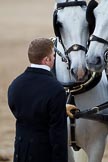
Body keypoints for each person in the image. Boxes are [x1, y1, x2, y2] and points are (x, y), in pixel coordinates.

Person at [7, 38, 68, 162]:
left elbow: (24, 110)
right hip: (45, 155)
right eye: (53, 55)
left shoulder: (15, 84)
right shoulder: (56, 89)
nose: (55, 58)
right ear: (46, 60)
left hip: (20, 152)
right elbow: (58, 134)